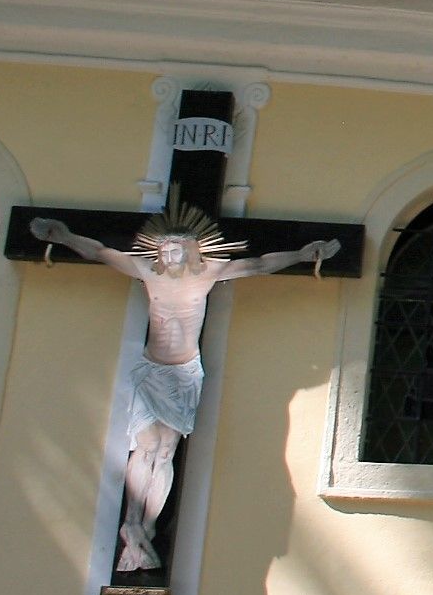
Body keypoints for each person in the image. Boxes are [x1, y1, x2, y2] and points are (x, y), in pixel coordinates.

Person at [32, 197, 339, 570]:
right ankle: (130, 520)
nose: (173, 255)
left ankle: (143, 528)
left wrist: (302, 254)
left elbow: (258, 264)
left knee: (164, 453)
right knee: (144, 448)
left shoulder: (207, 274)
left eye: (179, 249)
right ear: (158, 251)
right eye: (167, 249)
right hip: (152, 370)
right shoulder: (147, 272)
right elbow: (98, 252)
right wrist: (63, 236)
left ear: (193, 250)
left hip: (185, 374)